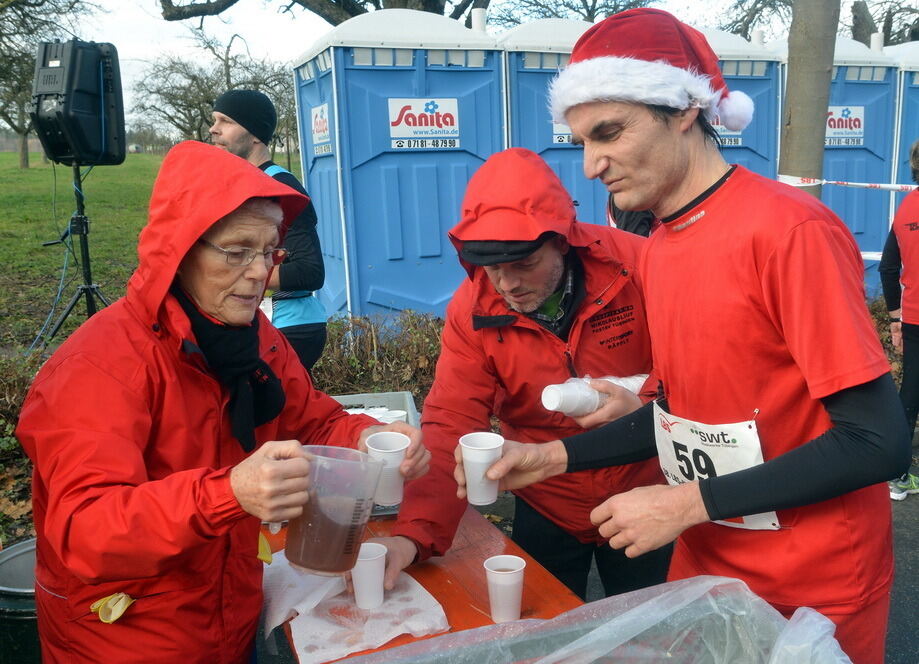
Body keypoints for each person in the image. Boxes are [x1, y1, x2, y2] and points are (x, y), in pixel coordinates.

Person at [454, 10, 910, 664]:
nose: (590, 165)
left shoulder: (787, 231)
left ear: (684, 109)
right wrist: (549, 459)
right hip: (705, 569)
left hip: (811, 587)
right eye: (580, 140)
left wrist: (683, 503)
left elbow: (876, 441)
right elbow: (678, 414)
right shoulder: (659, 246)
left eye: (608, 133)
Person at [15, 141, 429, 662]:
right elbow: (85, 528)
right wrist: (230, 494)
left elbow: (313, 421)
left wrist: (367, 437)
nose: (260, 272)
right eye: (237, 252)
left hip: (230, 614)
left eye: (270, 251)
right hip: (124, 638)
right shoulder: (100, 366)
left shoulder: (251, 335)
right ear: (181, 250)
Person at [372, 147, 671, 601]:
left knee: (656, 634)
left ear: (562, 240)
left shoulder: (638, 266)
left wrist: (646, 400)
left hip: (644, 491)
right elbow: (450, 422)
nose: (508, 284)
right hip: (544, 497)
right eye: (493, 268)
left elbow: (699, 369)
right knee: (543, 631)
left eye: (524, 263)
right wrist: (412, 536)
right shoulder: (471, 311)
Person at [210, 89, 328, 370]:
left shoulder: (279, 187)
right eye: (214, 120)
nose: (213, 130)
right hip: (258, 324)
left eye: (225, 121)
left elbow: (310, 271)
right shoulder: (246, 183)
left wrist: (229, 275)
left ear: (254, 134)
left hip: (289, 328)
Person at [879, 137, 919, 501]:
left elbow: (888, 267)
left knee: (911, 394)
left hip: (914, 320)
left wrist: (895, 318)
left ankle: (898, 477)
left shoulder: (907, 208)